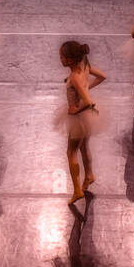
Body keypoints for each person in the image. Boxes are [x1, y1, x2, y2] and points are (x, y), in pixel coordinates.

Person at [55, 41, 108, 205]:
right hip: (88, 119)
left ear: (69, 60)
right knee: (84, 147)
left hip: (79, 118)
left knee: (71, 153)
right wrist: (87, 88)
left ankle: (77, 190)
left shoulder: (74, 77)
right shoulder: (85, 65)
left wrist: (75, 110)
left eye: (62, 57)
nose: (60, 59)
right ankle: (90, 174)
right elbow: (102, 76)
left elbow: (88, 102)